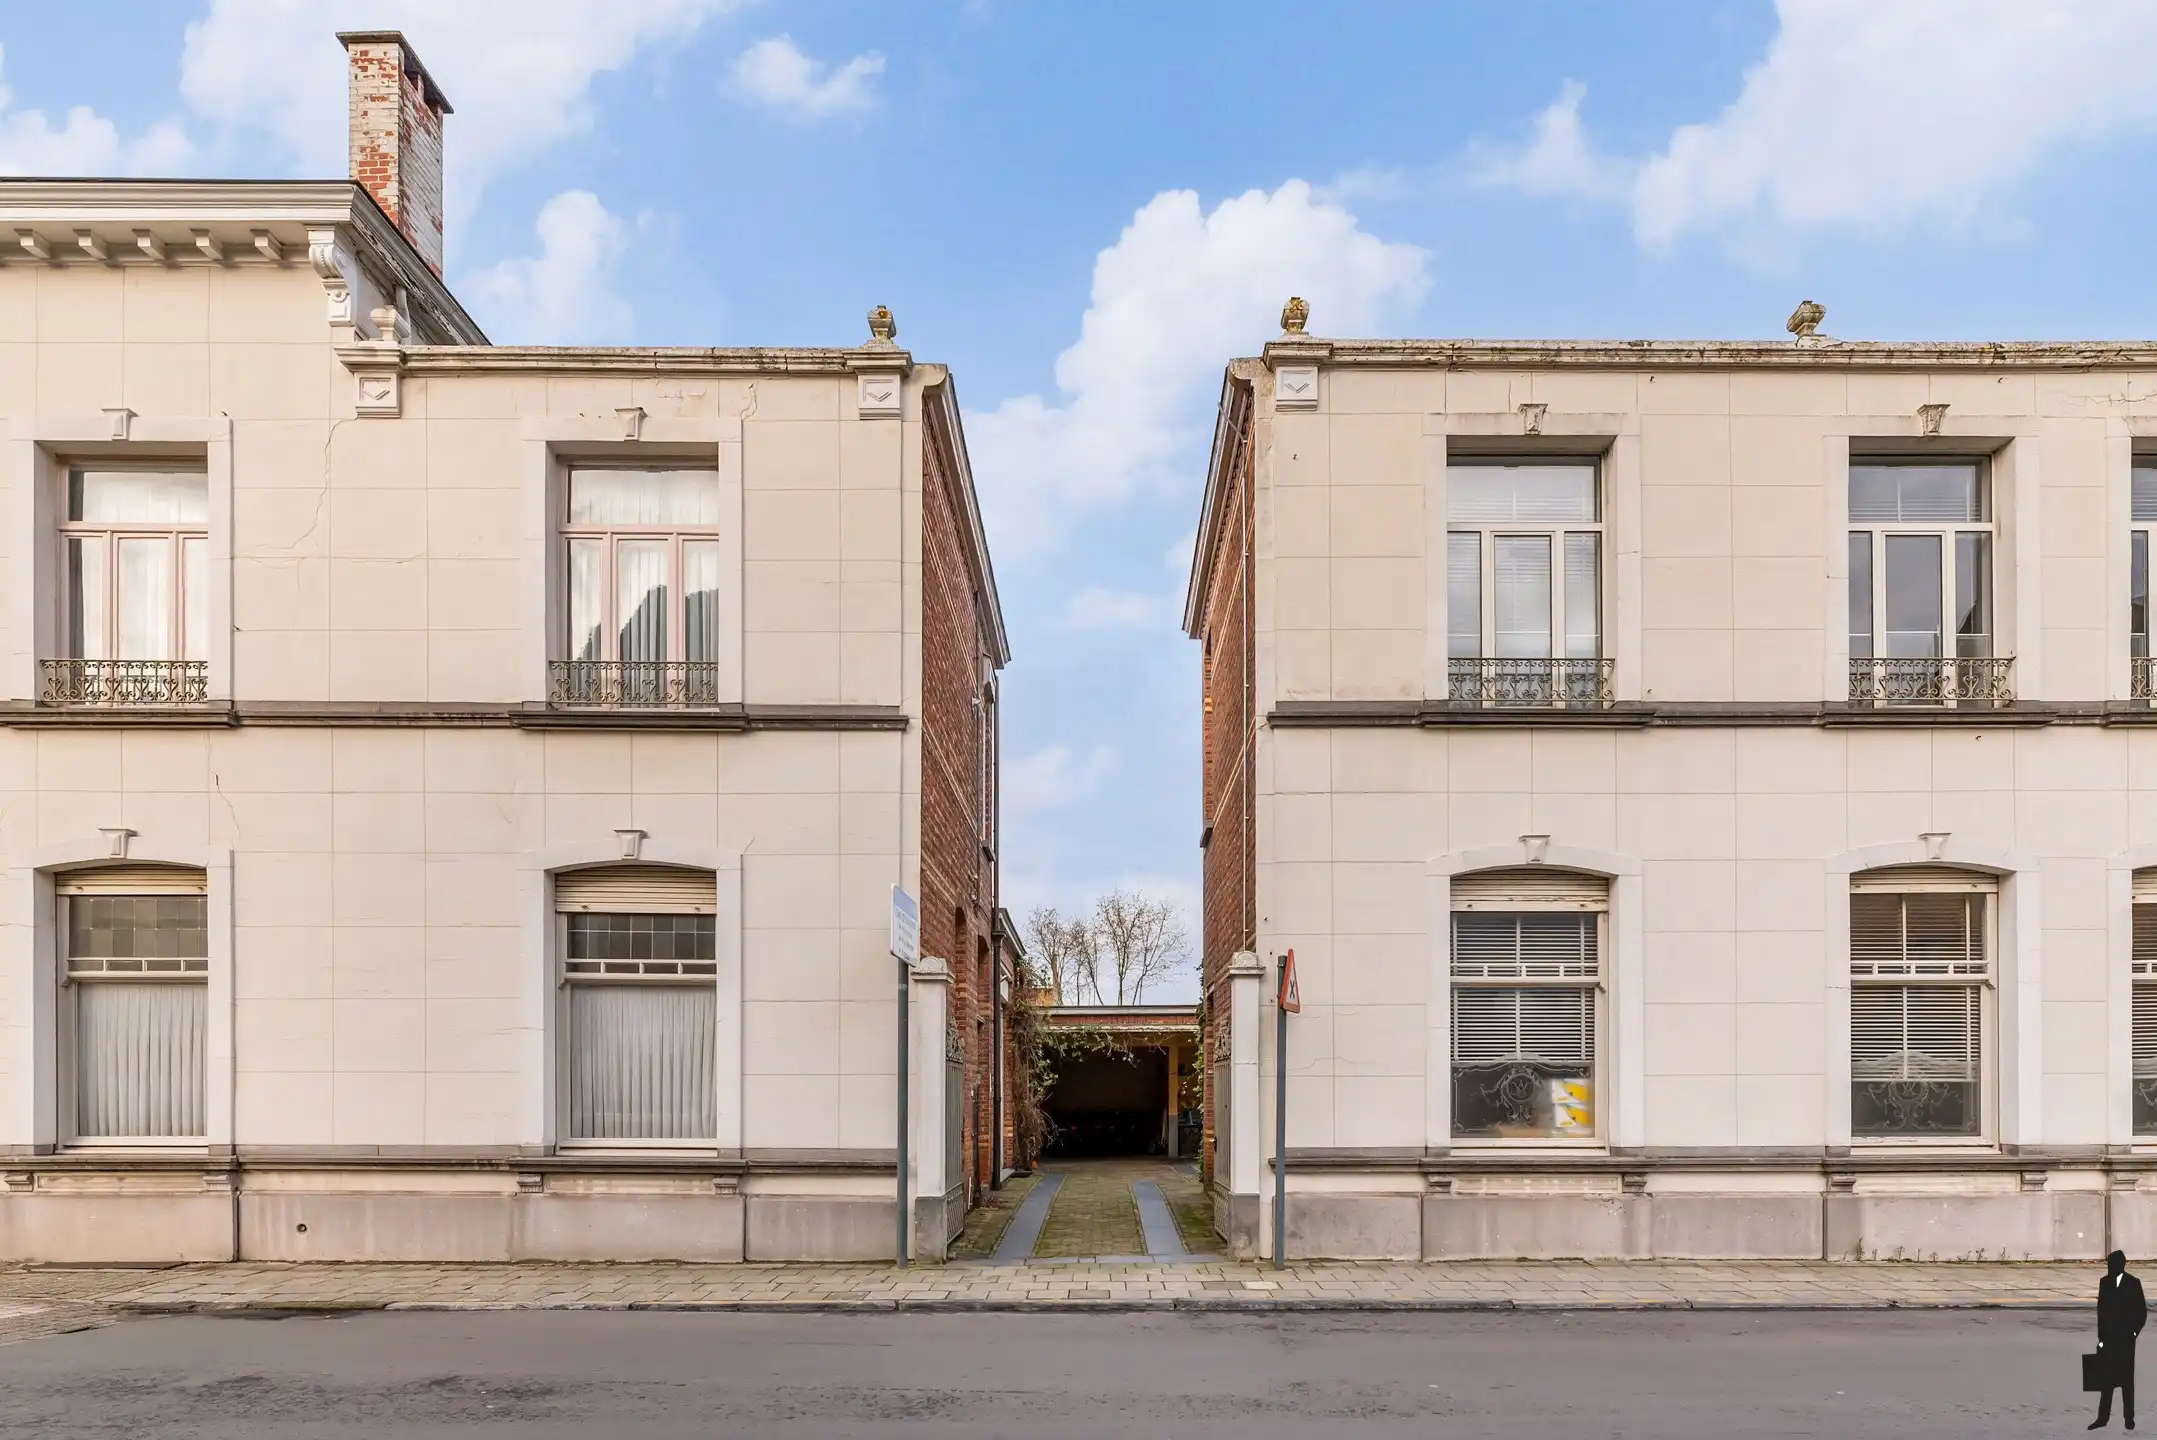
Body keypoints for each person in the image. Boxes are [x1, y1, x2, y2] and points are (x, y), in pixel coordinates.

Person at [2096, 1250, 2148, 1430]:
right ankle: (2103, 1418)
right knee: (2106, 1381)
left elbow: (2141, 1311)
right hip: (2109, 1338)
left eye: (2112, 1264)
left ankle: (2129, 1418)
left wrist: (2133, 1333)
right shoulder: (2104, 1282)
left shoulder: (2133, 1283)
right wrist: (2101, 1338)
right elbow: (2101, 1311)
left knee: (2127, 1381)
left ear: (2121, 1265)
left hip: (2125, 1339)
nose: (2109, 1268)